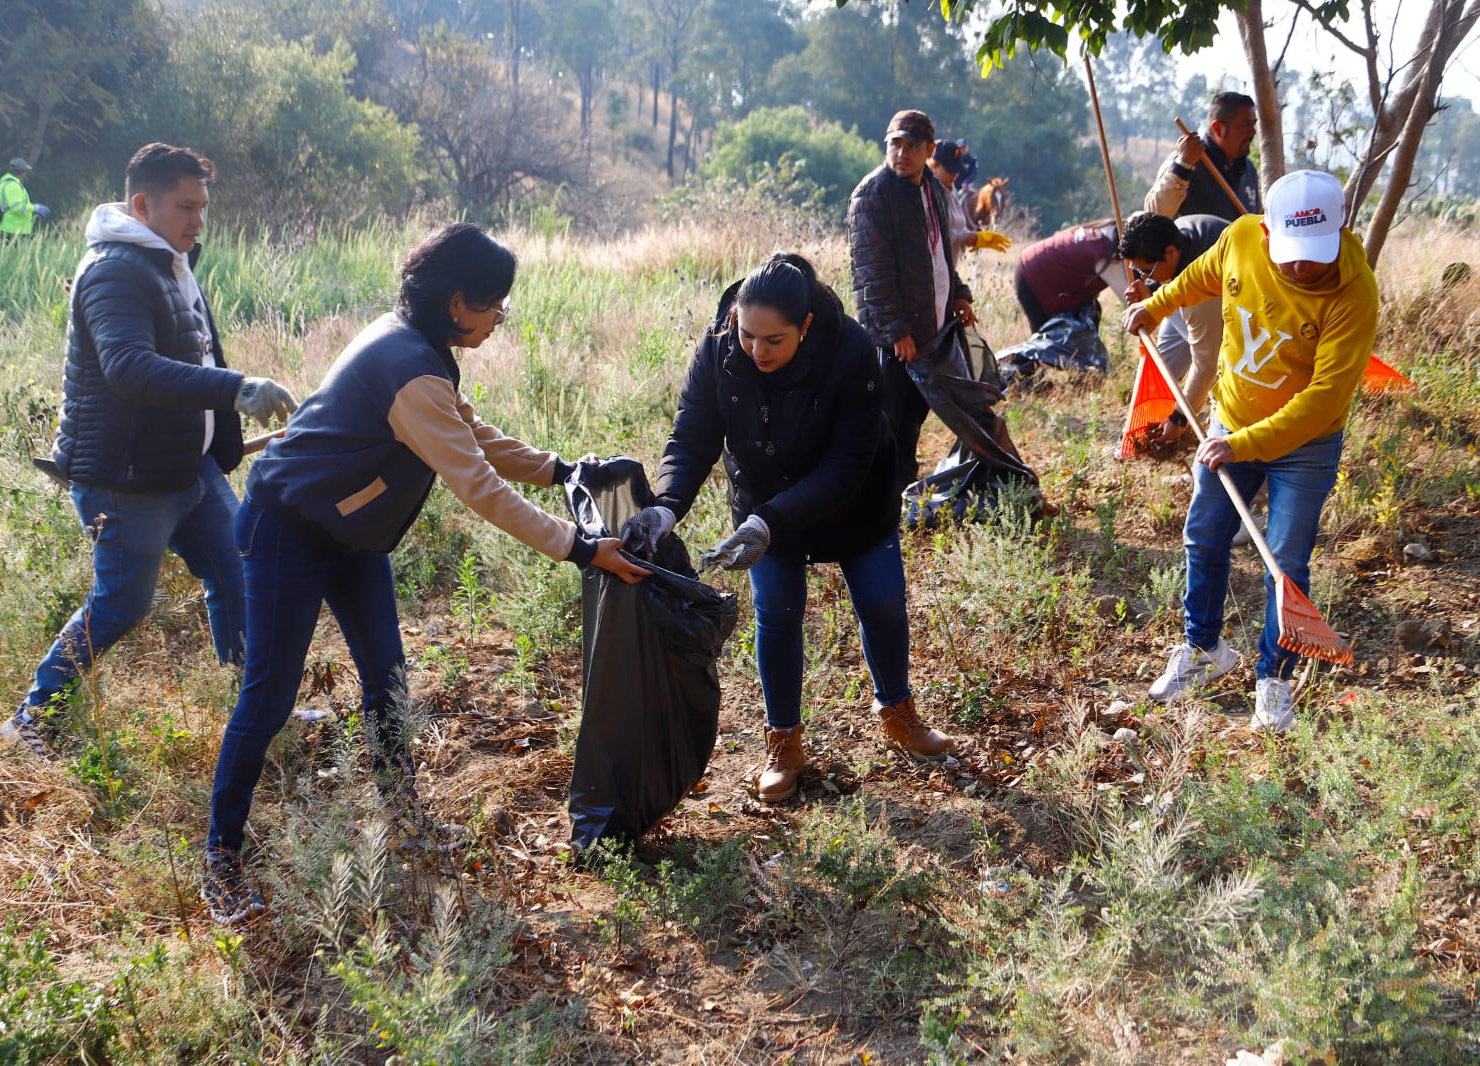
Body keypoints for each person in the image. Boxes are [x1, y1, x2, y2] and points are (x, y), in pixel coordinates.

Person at [201, 223, 649, 924]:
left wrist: (563, 468)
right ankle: (219, 860)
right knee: (268, 696)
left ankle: (404, 823)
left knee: (388, 680)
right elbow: (479, 486)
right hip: (288, 529)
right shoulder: (410, 368)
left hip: (350, 536)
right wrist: (581, 548)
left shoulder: (423, 349)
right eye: (495, 304)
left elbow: (473, 433)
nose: (501, 316)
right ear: (456, 303)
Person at [1, 143, 297, 761]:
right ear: (142, 205)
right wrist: (239, 390)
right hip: (128, 479)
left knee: (238, 580)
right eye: (186, 207)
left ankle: (258, 712)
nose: (198, 220)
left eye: (203, 207)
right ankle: (31, 715)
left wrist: (224, 442)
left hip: (189, 468)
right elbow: (131, 369)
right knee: (120, 607)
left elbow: (197, 355)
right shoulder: (115, 270)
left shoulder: (170, 263)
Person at [622, 252, 954, 804]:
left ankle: (899, 713)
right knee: (776, 613)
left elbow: (847, 465)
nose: (757, 351)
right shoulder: (719, 348)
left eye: (774, 340)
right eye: (747, 335)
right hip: (764, 499)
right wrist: (666, 506)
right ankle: (784, 743)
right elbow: (692, 435)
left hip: (853, 502)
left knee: (882, 601)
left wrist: (767, 521)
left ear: (806, 327)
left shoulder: (852, 352)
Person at [1122, 170, 1378, 733]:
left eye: (1314, 254)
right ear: (1267, 233)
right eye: (1290, 253)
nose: (1300, 267)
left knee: (1285, 562)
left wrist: (1241, 444)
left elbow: (1322, 399)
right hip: (1232, 421)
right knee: (1204, 534)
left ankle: (1274, 677)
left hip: (1303, 446)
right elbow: (1201, 277)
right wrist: (1157, 304)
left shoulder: (1354, 292)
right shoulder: (1240, 239)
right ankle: (1204, 649)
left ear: (1340, 230)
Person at [847, 108, 977, 490]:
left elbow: (940, 257)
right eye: (895, 145)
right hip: (895, 340)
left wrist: (959, 295)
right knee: (891, 422)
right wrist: (896, 330)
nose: (901, 153)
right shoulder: (872, 196)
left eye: (911, 146)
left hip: (931, 331)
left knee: (914, 419)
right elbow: (873, 272)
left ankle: (902, 493)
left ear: (929, 150)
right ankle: (881, 501)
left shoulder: (932, 189)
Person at [1117, 211, 1231, 442]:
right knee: (1164, 366)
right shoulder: (1179, 229)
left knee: (1219, 375)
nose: (1142, 276)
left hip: (1245, 312)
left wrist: (1179, 418)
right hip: (1200, 299)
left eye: (1147, 271)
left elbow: (1207, 365)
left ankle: (1213, 426)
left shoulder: (1201, 292)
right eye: (1137, 271)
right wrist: (1151, 294)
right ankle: (1144, 426)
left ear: (1171, 252)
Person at [1145, 92, 1261, 221]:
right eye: (1245, 125)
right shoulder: (1186, 163)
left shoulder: (1249, 170)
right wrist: (1183, 165)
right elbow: (1154, 216)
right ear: (1217, 128)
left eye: (1253, 124)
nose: (1252, 132)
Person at [930, 140, 1010, 255]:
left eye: (958, 170)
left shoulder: (952, 191)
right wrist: (961, 237)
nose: (956, 175)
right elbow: (926, 235)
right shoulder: (926, 192)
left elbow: (956, 228)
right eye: (951, 170)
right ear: (934, 166)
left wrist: (977, 238)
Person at [0, 157, 47, 236]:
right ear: (22, 172)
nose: (26, 173)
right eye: (26, 171)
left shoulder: (6, 183)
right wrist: (34, 208)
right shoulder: (13, 186)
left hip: (11, 227)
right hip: (14, 229)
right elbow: (16, 208)